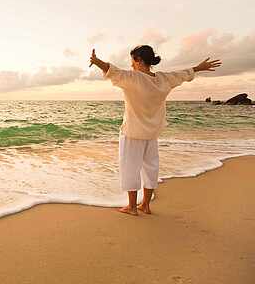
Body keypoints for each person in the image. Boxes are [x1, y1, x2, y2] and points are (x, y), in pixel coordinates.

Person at [89, 45, 222, 216]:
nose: (131, 65)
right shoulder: (163, 79)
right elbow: (181, 74)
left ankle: (132, 207)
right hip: (152, 133)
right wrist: (199, 68)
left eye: (132, 61)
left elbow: (112, 71)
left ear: (139, 60)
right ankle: (145, 205)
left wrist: (97, 61)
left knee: (130, 168)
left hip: (132, 132)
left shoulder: (133, 78)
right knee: (151, 168)